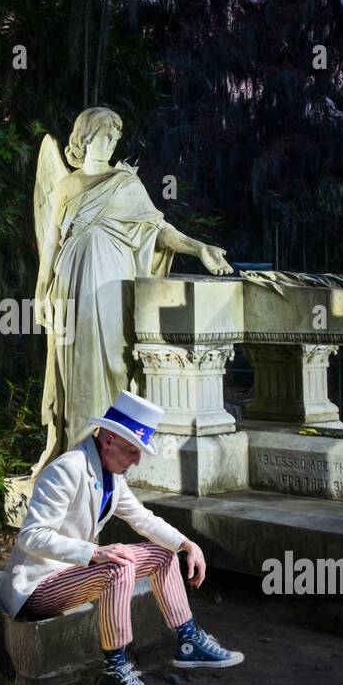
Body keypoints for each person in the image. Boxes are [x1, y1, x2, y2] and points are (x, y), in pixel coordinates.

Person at [0, 389, 243, 685]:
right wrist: (93, 553)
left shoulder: (110, 473)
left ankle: (188, 639)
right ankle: (115, 673)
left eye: (139, 451)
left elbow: (142, 518)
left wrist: (186, 544)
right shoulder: (67, 469)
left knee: (161, 554)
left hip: (70, 575)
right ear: (108, 439)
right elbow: (32, 537)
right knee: (116, 566)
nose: (137, 460)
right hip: (37, 587)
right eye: (131, 450)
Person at [30, 107, 233, 473]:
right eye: (102, 135)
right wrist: (42, 289)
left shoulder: (125, 184)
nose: (109, 143)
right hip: (71, 285)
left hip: (111, 284)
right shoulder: (66, 186)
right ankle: (78, 455)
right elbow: (50, 243)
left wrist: (198, 247)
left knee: (112, 361)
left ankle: (113, 453)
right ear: (84, 137)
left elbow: (158, 229)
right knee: (75, 367)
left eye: (114, 137)